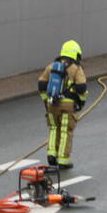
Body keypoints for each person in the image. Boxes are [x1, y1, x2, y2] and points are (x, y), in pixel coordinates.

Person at [38, 40, 87, 169]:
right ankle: (63, 160)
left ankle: (51, 155)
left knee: (54, 128)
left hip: (52, 105)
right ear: (76, 54)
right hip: (67, 106)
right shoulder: (76, 68)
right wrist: (81, 102)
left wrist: (46, 101)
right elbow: (82, 88)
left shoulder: (52, 66)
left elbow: (41, 84)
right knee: (66, 130)